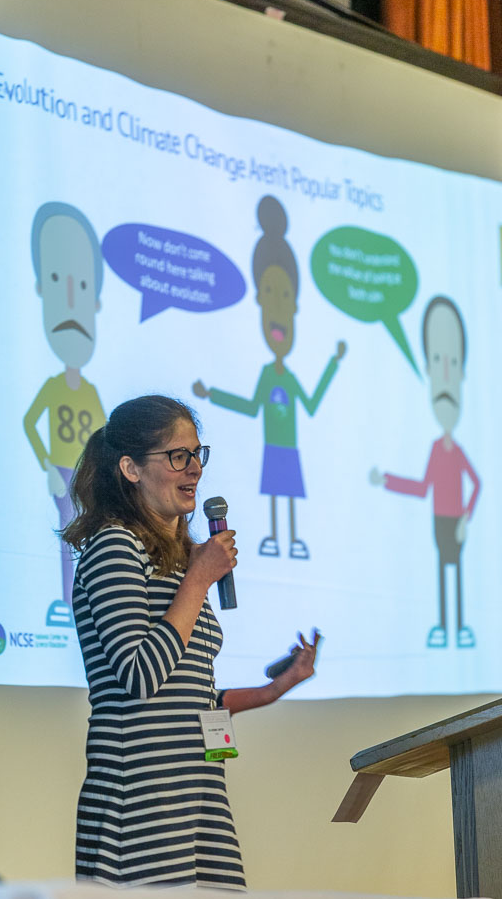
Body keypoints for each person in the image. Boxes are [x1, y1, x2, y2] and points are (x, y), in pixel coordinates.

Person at [63, 394, 320, 889]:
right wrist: (200, 580)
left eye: (197, 454)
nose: (195, 469)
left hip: (197, 795)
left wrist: (273, 690)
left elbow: (190, 697)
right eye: (177, 456)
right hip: (141, 799)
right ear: (131, 469)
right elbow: (141, 676)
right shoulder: (114, 546)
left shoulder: (180, 562)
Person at [193, 196, 346, 560]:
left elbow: (311, 404)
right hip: (273, 450)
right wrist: (212, 395)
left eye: (285, 297)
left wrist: (333, 364)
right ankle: (276, 538)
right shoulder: (266, 375)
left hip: (290, 449)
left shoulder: (289, 378)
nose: (278, 310)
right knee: (277, 495)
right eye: (270, 295)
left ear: (295, 306)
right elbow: (250, 407)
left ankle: (291, 539)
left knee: (288, 495)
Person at [370, 296, 480, 649]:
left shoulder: (458, 450)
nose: (445, 374)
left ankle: (459, 626)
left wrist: (466, 517)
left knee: (456, 570)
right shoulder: (434, 448)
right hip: (439, 520)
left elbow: (476, 484)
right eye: (436, 361)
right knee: (442, 571)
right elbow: (421, 488)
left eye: (452, 362)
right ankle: (445, 625)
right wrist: (387, 480)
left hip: (456, 521)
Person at [24, 202, 106, 627]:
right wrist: (47, 465)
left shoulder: (91, 391)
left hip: (87, 477)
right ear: (41, 289)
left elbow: (107, 440)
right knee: (67, 538)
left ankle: (88, 606)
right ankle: (67, 603)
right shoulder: (54, 386)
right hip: (62, 470)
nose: (73, 300)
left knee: (89, 540)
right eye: (58, 282)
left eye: (83, 286)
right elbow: (30, 422)